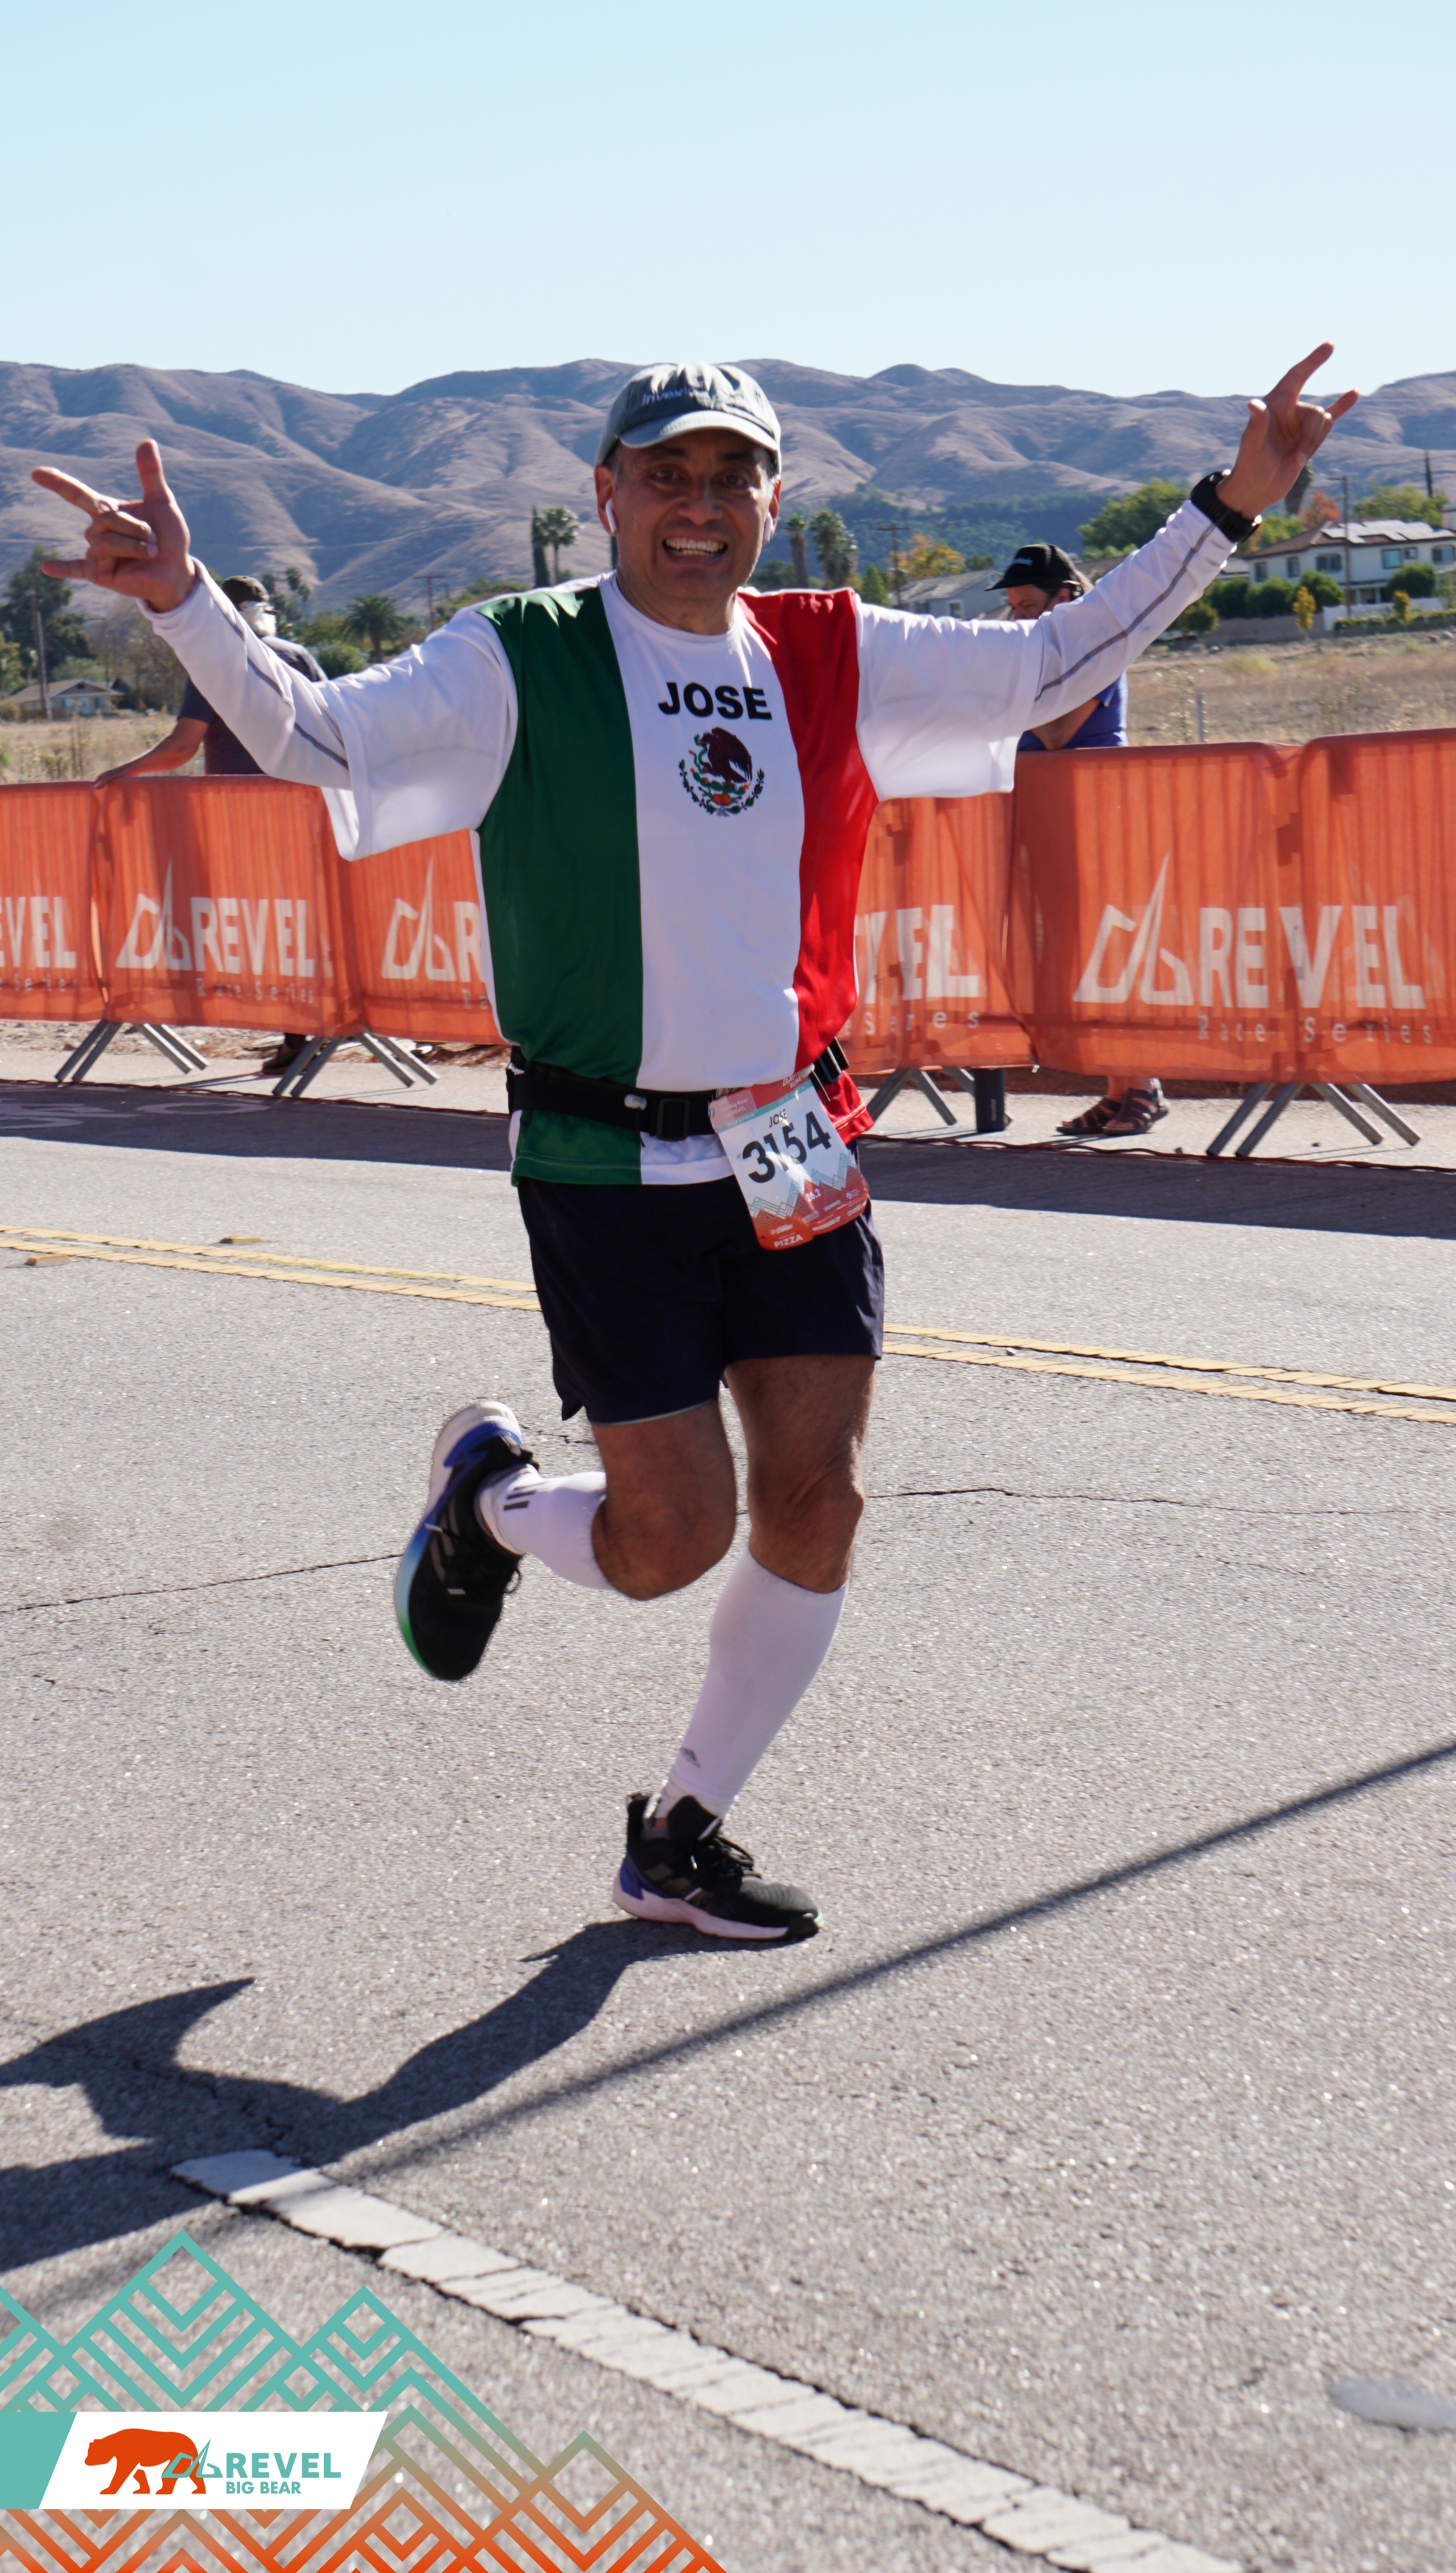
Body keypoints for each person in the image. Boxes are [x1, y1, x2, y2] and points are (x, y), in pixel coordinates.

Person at [35, 348, 1355, 1944]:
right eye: (666, 473)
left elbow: (1055, 660)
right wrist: (187, 604)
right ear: (607, 495)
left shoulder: (834, 649)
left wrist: (1231, 507)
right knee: (671, 1541)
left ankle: (678, 1835)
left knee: (819, 1498)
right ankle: (493, 1501)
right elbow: (313, 734)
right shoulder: (519, 653)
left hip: (794, 1141)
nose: (699, 504)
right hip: (606, 1159)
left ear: (772, 501)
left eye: (732, 475)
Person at [98, 575, 326, 1078]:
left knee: (267, 921)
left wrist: (123, 771)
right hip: (309, 809)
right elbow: (336, 725)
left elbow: (182, 746)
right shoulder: (300, 657)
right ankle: (317, 1024)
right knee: (305, 917)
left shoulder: (215, 662)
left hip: (242, 819)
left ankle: (297, 1031)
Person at [993, 542, 1162, 1140]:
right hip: (1047, 815)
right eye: (1013, 608)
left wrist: (1000, 695)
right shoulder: (1037, 657)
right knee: (1079, 953)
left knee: (1108, 950)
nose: (1017, 619)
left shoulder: (1099, 645)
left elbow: (1059, 730)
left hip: (1096, 812)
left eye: (1028, 606)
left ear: (1065, 598)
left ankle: (1141, 1085)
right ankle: (1118, 1089)